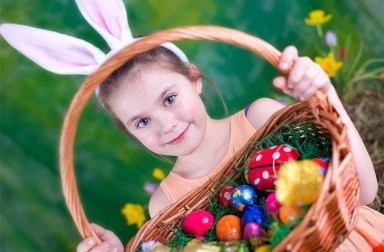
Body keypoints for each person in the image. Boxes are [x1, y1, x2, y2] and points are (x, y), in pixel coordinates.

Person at [1, 1, 382, 252]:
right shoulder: (164, 204)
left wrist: (324, 94)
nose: (166, 124)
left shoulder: (262, 119)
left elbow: (364, 190)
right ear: (130, 132)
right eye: (143, 121)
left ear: (195, 79)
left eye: (169, 98)